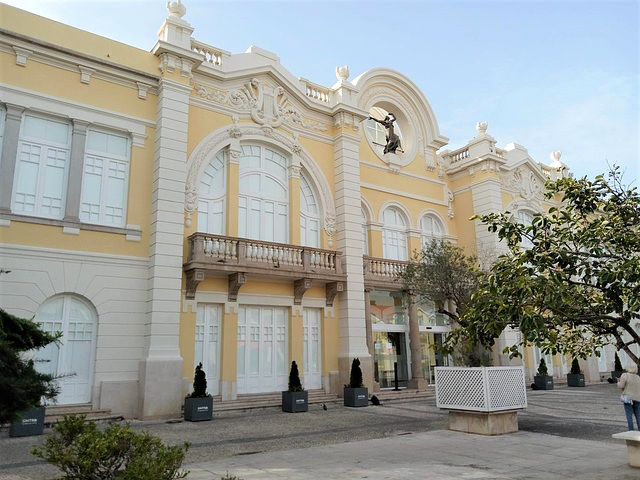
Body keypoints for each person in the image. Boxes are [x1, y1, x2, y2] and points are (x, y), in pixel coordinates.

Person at [618, 362, 640, 430]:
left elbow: (621, 386)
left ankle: (631, 430)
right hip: (638, 398)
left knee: (629, 414)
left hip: (628, 398)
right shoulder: (638, 377)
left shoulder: (625, 375)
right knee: (638, 415)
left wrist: (618, 382)